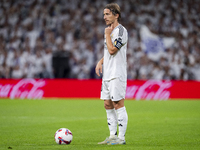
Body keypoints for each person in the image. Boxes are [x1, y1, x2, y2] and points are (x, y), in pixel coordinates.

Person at [95, 3, 128, 145]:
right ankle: (112, 136)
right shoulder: (109, 30)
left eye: (107, 14)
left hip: (117, 73)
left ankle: (121, 138)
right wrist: (101, 61)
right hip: (107, 73)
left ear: (116, 15)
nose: (104, 17)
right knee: (107, 105)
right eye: (104, 14)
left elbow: (113, 50)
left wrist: (107, 35)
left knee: (118, 104)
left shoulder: (121, 31)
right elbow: (108, 52)